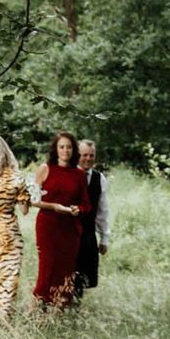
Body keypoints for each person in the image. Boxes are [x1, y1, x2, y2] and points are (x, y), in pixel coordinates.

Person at [33, 131, 91, 309]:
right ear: (55, 149)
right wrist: (54, 207)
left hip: (70, 229)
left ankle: (60, 310)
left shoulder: (79, 174)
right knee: (47, 269)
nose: (65, 150)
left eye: (69, 147)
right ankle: (37, 308)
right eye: (62, 147)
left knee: (66, 270)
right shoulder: (45, 169)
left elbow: (86, 204)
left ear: (74, 150)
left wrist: (77, 209)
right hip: (48, 226)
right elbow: (33, 199)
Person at [0, 136, 31, 320]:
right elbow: (25, 210)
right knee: (8, 283)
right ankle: (2, 322)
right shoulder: (17, 178)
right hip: (10, 235)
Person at [74, 139, 110, 299]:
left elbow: (103, 211)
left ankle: (74, 310)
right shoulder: (68, 174)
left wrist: (104, 238)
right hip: (68, 232)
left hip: (88, 234)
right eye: (84, 155)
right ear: (77, 155)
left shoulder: (99, 178)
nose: (88, 159)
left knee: (83, 277)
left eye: (91, 155)